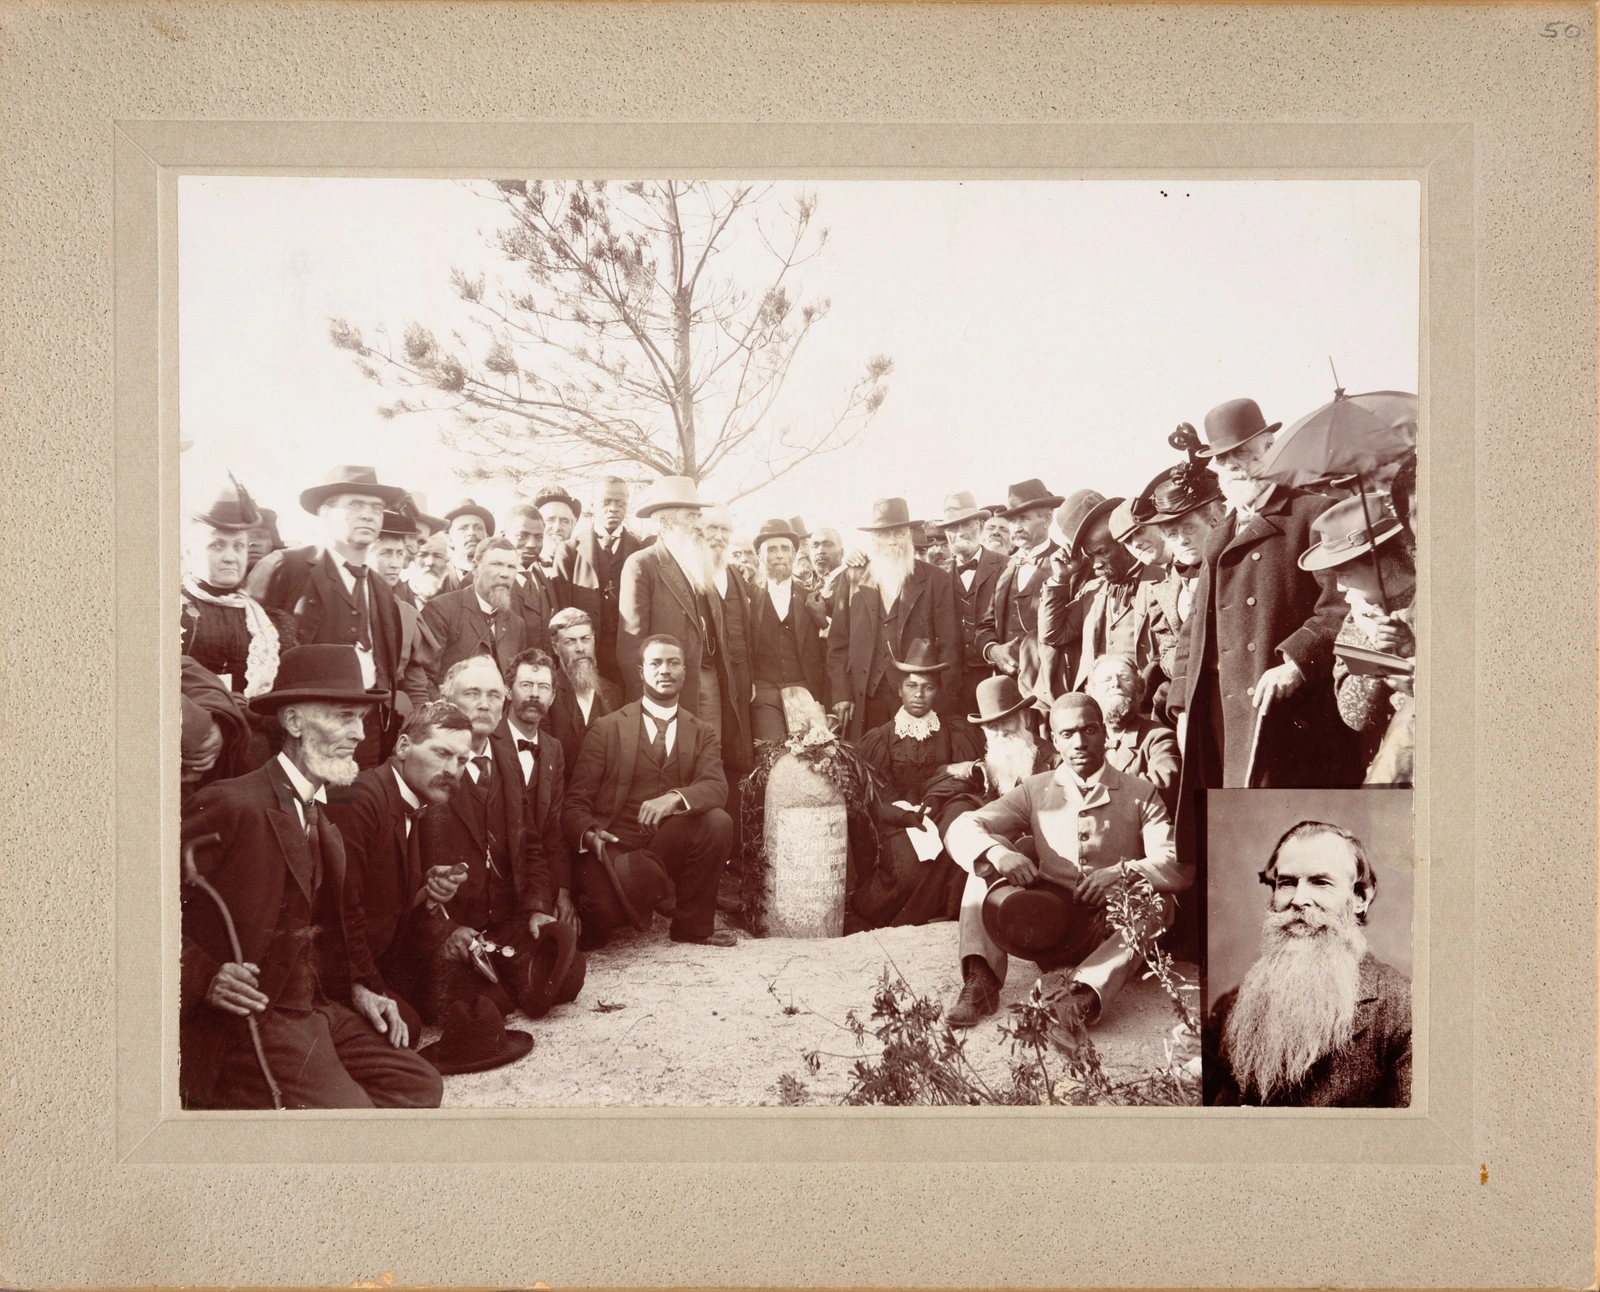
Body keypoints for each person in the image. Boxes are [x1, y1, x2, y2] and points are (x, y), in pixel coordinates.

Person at [180, 644, 442, 1109]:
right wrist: (205, 977)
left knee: (420, 1085)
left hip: (311, 1006)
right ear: (295, 723)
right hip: (253, 1018)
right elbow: (140, 902)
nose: (358, 734)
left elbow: (331, 927)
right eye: (343, 717)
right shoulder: (233, 802)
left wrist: (362, 986)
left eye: (360, 719)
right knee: (351, 1119)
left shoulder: (320, 814)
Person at [944, 694, 1188, 1035]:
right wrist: (998, 855)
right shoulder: (1035, 789)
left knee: (1156, 903)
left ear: (1104, 734)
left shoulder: (1140, 792)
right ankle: (981, 979)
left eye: (1089, 730)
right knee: (983, 859)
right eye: (1068, 734)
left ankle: (1083, 995)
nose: (1080, 742)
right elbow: (962, 827)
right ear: (1055, 740)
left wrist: (1121, 873)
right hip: (1046, 925)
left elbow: (1176, 865)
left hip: (1107, 932)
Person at [1167, 398, 1360, 793]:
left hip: (1288, 711)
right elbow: (1195, 629)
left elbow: (1342, 604)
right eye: (1224, 460)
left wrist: (1296, 661)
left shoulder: (1313, 513)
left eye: (1244, 455)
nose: (1234, 467)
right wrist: (1183, 703)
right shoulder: (1220, 535)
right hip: (1222, 712)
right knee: (1235, 832)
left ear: (1271, 450)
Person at [414, 654, 581, 1023]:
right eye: (472, 693)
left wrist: (537, 907)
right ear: (447, 701)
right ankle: (490, 983)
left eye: (493, 694)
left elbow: (532, 843)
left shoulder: (505, 757)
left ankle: (503, 974)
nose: (484, 704)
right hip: (452, 924)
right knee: (487, 1007)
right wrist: (445, 931)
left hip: (504, 919)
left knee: (567, 977)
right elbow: (407, 869)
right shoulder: (428, 765)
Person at [1204, 821, 1411, 1107]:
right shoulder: (1230, 1007)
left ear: (1359, 898)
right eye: (1287, 883)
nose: (1299, 899)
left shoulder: (1403, 1011)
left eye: (1321, 883)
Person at [561, 634, 739, 949]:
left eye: (673, 663)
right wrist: (590, 835)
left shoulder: (701, 732)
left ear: (685, 672)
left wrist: (673, 799)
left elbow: (716, 786)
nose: (665, 670)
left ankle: (691, 927)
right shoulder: (608, 728)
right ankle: (630, 897)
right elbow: (575, 804)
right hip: (614, 847)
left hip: (664, 846)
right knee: (603, 918)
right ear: (642, 672)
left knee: (717, 820)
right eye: (655, 663)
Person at [321, 700, 476, 1047]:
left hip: (381, 956)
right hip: (334, 972)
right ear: (403, 746)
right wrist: (366, 986)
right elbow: (340, 913)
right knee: (407, 1029)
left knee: (484, 1001)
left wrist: (425, 892)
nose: (452, 769)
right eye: (441, 753)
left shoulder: (414, 798)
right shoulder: (359, 798)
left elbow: (381, 898)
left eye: (462, 760)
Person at [246, 465, 408, 770]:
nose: (368, 514)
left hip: (367, 731)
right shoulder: (286, 567)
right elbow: (251, 660)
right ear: (324, 513)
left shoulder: (382, 589)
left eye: (377, 507)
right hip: (302, 733)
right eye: (355, 505)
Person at [850, 640, 984, 929]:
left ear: (937, 691)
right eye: (911, 686)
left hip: (943, 811)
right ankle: (870, 908)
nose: (919, 695)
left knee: (958, 847)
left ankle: (947, 914)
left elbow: (963, 780)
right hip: (897, 819)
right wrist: (903, 816)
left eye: (928, 687)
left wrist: (936, 801)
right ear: (899, 689)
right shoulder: (881, 738)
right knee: (911, 870)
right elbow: (875, 798)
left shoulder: (954, 731)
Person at [616, 477, 748, 758]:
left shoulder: (701, 561)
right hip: (665, 688)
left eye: (699, 516)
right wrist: (648, 700)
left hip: (709, 680)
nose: (699, 524)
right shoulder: (642, 564)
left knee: (708, 757)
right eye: (692, 516)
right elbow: (631, 643)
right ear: (665, 522)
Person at [1302, 495, 1417, 785]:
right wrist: (1377, 656)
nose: (1339, 588)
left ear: (1384, 566)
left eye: (1345, 574)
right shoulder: (1357, 622)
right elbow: (1355, 717)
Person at [826, 496, 962, 740]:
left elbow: (949, 648)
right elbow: (837, 644)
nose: (891, 541)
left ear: (909, 535)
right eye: (884, 534)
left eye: (898, 533)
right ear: (873, 539)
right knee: (867, 769)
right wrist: (841, 694)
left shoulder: (935, 579)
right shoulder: (852, 578)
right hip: (865, 699)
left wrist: (939, 706)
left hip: (917, 701)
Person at [181, 474, 293, 715]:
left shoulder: (269, 623)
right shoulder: (172, 610)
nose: (231, 557)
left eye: (239, 546)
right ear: (188, 550)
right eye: (216, 545)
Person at [1135, 435, 1228, 716]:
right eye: (1172, 534)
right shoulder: (1165, 590)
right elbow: (1167, 648)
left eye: (1189, 529)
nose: (1182, 540)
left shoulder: (1236, 568)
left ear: (1215, 519)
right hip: (1195, 698)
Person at [1038, 492, 1163, 697]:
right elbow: (1053, 634)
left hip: (1147, 704)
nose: (1095, 565)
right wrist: (1059, 579)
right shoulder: (1093, 591)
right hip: (1098, 707)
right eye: (1090, 556)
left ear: (1125, 542)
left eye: (1102, 552)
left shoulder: (1161, 581)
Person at [502, 648, 584, 950]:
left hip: (536, 875)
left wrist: (562, 893)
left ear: (552, 698)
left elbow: (554, 828)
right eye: (526, 685)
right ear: (507, 691)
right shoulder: (488, 740)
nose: (534, 695)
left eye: (543, 688)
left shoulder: (553, 749)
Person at [975, 479, 1068, 698]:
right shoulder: (1006, 565)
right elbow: (985, 625)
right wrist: (992, 650)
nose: (1016, 527)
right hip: (1007, 686)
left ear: (1047, 519)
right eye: (1012, 520)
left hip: (1049, 685)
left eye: (1023, 519)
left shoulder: (1067, 563)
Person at [553, 477, 648, 689]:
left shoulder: (640, 550)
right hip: (585, 655)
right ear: (593, 506)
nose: (613, 509)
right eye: (606, 503)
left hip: (626, 655)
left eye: (620, 503)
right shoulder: (569, 551)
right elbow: (560, 609)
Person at [746, 518, 828, 743]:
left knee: (812, 753)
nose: (779, 555)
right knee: (771, 752)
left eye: (785, 549)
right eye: (771, 549)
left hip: (804, 688)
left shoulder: (811, 597)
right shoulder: (747, 596)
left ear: (794, 554)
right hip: (763, 690)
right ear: (760, 556)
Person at [420, 536, 536, 688]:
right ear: (475, 568)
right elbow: (424, 677)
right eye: (497, 564)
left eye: (511, 567)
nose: (505, 574)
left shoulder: (516, 624)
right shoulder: (442, 609)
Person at [938, 492, 1007, 718]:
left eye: (965, 524)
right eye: (951, 528)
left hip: (995, 677)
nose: (958, 533)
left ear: (979, 525)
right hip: (951, 684)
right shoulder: (937, 576)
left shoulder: (1007, 566)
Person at [1083, 653, 1180, 813]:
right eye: (1106, 680)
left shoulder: (1158, 737)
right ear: (1091, 694)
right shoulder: (1085, 739)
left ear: (1140, 691)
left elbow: (1160, 787)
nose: (1116, 683)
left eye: (1124, 678)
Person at [368, 511, 441, 714]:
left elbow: (417, 687)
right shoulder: (346, 605)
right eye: (385, 553)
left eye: (399, 554)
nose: (394, 563)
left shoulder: (406, 613)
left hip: (385, 720)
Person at [545, 607, 623, 783]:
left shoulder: (614, 693)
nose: (580, 648)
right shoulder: (547, 691)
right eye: (570, 642)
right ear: (555, 648)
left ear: (594, 640)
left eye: (585, 639)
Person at [500, 502, 562, 651]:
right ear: (504, 536)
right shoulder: (488, 582)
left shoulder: (546, 579)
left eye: (539, 537)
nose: (531, 544)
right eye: (522, 536)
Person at [439, 498, 495, 594]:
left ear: (487, 538)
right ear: (450, 539)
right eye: (462, 528)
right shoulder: (438, 576)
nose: (471, 532)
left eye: (478, 527)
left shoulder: (499, 576)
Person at [533, 483, 583, 575]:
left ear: (573, 526)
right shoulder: (523, 567)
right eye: (550, 520)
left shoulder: (582, 566)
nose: (557, 527)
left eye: (565, 521)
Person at [407, 531, 452, 605]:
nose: (430, 562)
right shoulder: (395, 596)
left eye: (438, 556)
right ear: (411, 559)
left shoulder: (454, 602)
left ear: (446, 563)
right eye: (422, 555)